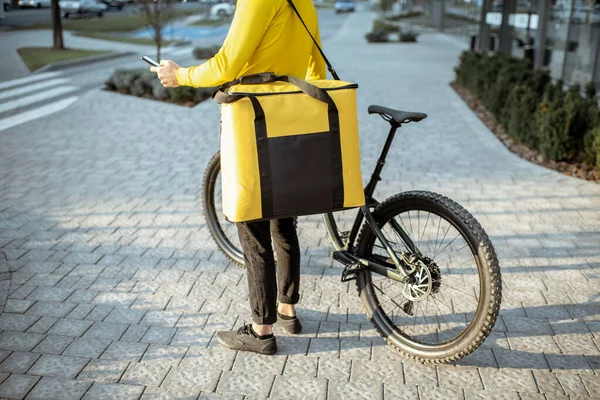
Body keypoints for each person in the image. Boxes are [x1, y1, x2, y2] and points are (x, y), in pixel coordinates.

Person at [151, 0, 326, 355]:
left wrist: (180, 75)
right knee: (284, 219)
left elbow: (226, 64)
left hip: (252, 119)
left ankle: (261, 331)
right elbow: (315, 64)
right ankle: (287, 310)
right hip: (286, 117)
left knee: (252, 225)